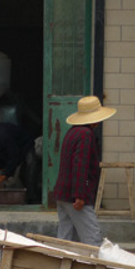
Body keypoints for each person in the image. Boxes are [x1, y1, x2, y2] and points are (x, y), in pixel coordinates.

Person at [52, 95, 116, 246]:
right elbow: (81, 166)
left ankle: (63, 267)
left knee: (66, 239)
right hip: (75, 196)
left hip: (63, 194)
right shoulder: (86, 134)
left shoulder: (72, 132)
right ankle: (95, 268)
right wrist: (80, 194)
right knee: (92, 238)